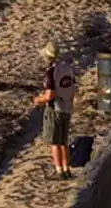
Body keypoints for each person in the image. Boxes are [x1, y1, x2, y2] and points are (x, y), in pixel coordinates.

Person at [34, 44, 79, 178]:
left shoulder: (51, 73)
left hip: (55, 108)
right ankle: (67, 169)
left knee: (55, 142)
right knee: (63, 142)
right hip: (67, 107)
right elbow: (73, 87)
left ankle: (59, 170)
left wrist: (38, 100)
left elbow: (50, 95)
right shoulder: (67, 69)